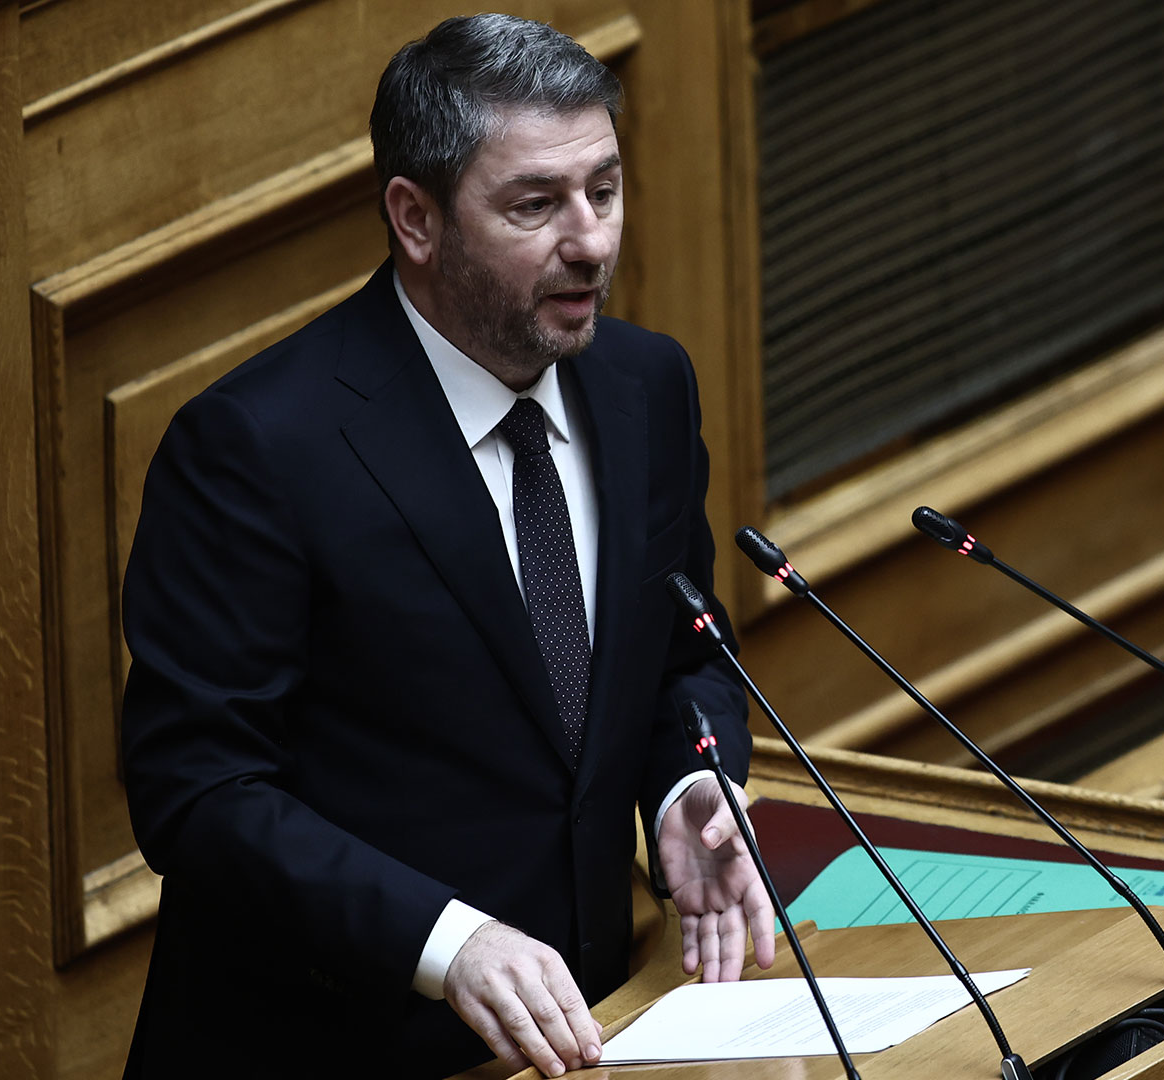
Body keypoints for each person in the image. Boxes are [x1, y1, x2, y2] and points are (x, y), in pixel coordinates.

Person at [117, 14, 772, 1079]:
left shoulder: (646, 384)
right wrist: (444, 940)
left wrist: (689, 790)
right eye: (536, 205)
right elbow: (198, 790)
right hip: (338, 1050)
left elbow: (682, 653)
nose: (593, 241)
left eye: (605, 190)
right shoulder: (257, 447)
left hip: (590, 1033)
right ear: (415, 219)